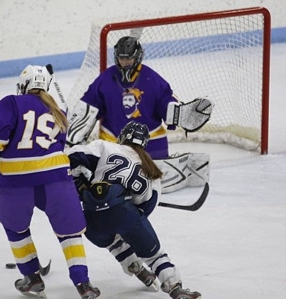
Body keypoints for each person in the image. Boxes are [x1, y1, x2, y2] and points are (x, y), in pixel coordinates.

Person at [0, 64, 100, 299]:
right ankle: (83, 283)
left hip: (16, 181)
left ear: (23, 85)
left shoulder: (11, 103)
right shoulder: (59, 111)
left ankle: (32, 278)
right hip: (56, 179)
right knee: (69, 232)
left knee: (16, 228)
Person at [65, 121, 205, 299]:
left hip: (91, 220)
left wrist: (81, 182)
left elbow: (72, 156)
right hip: (125, 214)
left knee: (113, 241)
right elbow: (145, 209)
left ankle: (136, 268)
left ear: (122, 137)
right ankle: (175, 287)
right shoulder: (151, 170)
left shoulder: (105, 146)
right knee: (154, 255)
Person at [66, 35, 213, 193]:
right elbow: (88, 105)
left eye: (129, 59)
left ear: (138, 57)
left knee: (152, 173)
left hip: (151, 141)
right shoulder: (106, 79)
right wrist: (73, 137)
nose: (125, 63)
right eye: (122, 59)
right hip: (114, 142)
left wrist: (178, 113)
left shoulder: (151, 78)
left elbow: (165, 99)